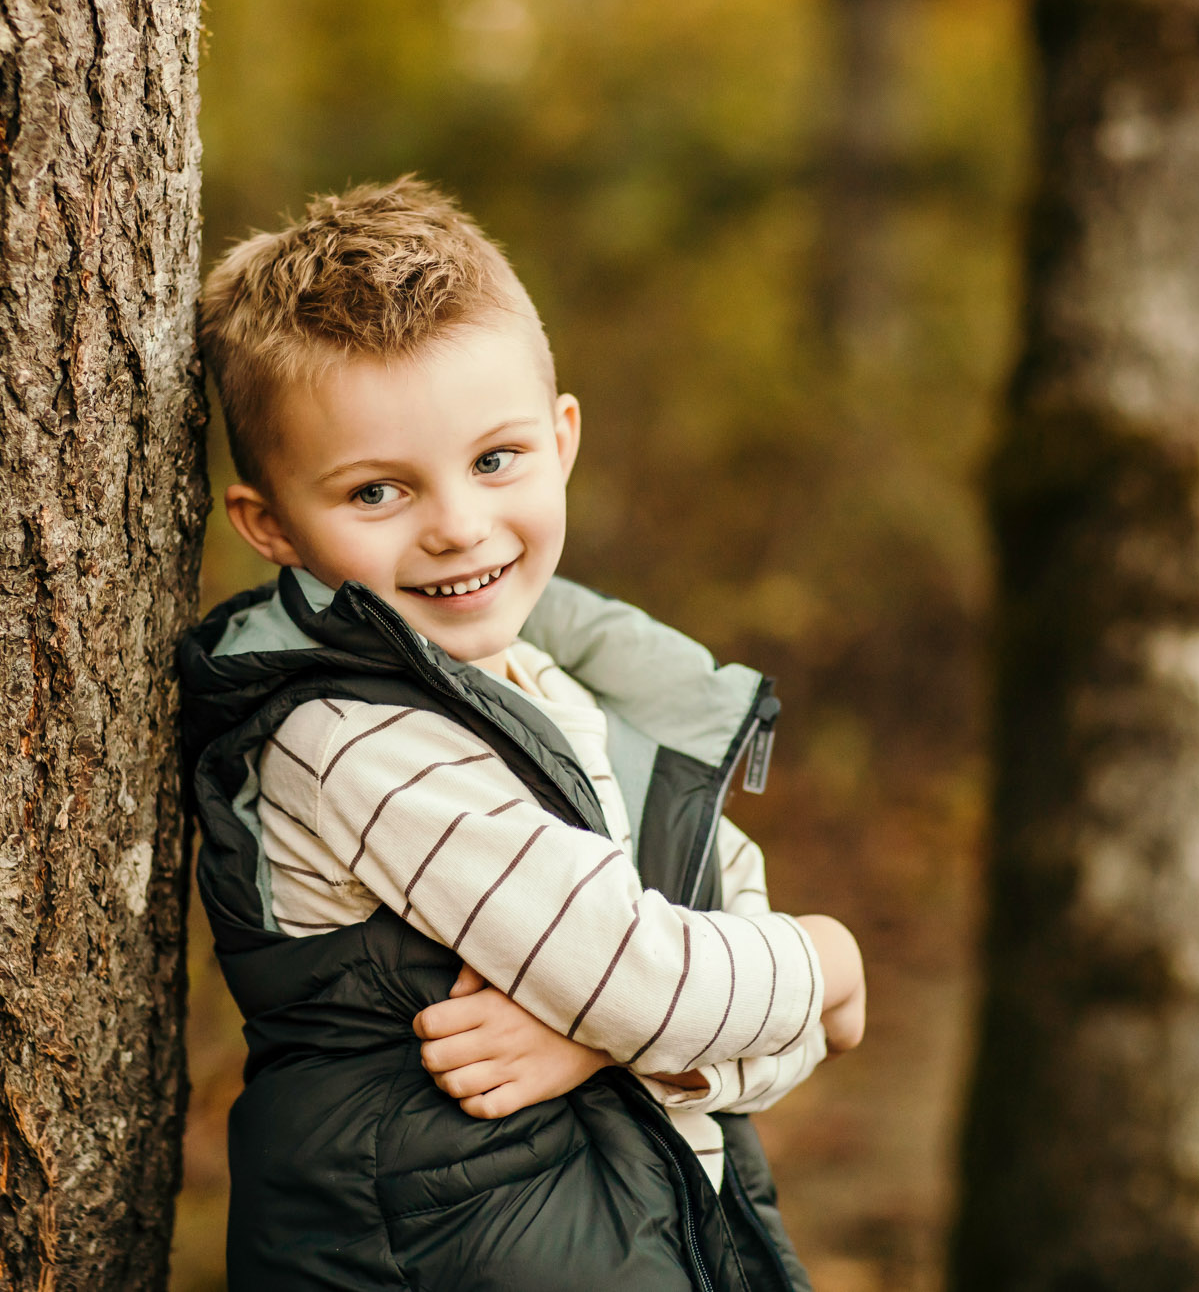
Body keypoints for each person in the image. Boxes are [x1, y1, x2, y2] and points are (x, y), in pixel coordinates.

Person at [178, 176, 866, 1292]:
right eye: (374, 492)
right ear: (272, 528)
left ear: (562, 438)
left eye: (494, 460)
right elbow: (671, 980)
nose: (456, 524)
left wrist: (607, 1039)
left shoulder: (554, 688)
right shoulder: (348, 741)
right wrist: (828, 960)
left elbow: (708, 969)